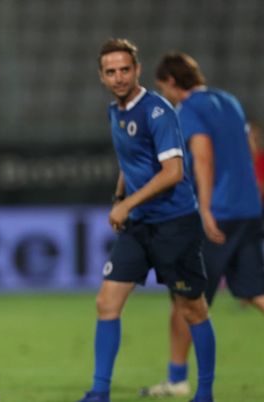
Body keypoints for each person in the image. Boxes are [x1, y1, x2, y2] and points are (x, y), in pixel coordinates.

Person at [77, 39, 216, 402]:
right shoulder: (114, 111)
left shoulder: (157, 110)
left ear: (137, 70)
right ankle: (99, 392)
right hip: (139, 226)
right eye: (111, 71)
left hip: (175, 223)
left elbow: (173, 172)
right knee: (106, 303)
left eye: (125, 69)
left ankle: (204, 393)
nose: (119, 77)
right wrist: (120, 199)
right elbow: (130, 162)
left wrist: (127, 205)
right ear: (102, 76)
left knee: (192, 307)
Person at [139, 52, 264, 398]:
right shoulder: (229, 101)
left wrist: (205, 208)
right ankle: (177, 378)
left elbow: (203, 154)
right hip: (249, 208)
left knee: (185, 296)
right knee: (254, 291)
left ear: (171, 83)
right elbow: (250, 146)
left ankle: (177, 379)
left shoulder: (189, 109)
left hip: (218, 213)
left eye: (163, 87)